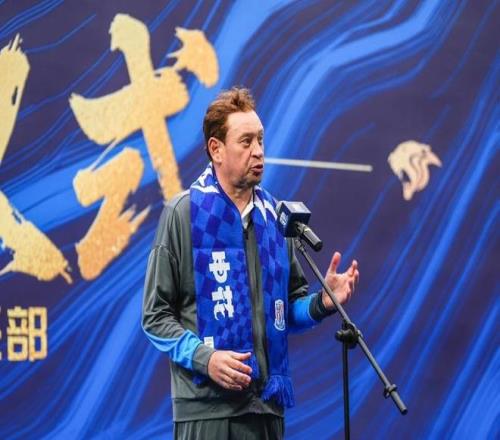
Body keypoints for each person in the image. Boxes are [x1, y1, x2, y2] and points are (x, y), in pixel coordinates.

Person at [142, 87, 359, 440]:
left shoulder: (275, 219)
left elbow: (285, 312)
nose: (258, 150)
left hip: (266, 408)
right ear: (216, 149)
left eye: (260, 139)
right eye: (246, 141)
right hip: (207, 409)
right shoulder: (183, 213)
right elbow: (155, 316)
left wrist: (322, 302)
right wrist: (205, 358)